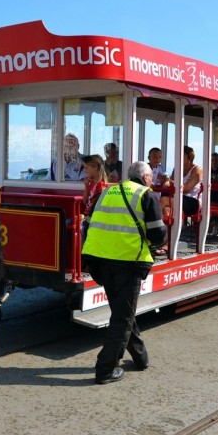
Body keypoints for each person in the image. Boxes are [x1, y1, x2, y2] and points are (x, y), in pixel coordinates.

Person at [81, 161, 167, 384]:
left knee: (122, 310)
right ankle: (105, 369)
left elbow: (88, 224)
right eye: (151, 179)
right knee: (122, 317)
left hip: (98, 260)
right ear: (147, 178)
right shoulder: (145, 195)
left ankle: (141, 357)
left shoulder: (107, 192)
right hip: (127, 262)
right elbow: (158, 235)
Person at [80, 154, 108, 242]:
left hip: (92, 217)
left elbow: (98, 206)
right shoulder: (91, 183)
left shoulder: (102, 186)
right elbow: (84, 201)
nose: (85, 171)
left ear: (95, 167)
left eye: (87, 168)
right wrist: (86, 187)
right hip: (86, 215)